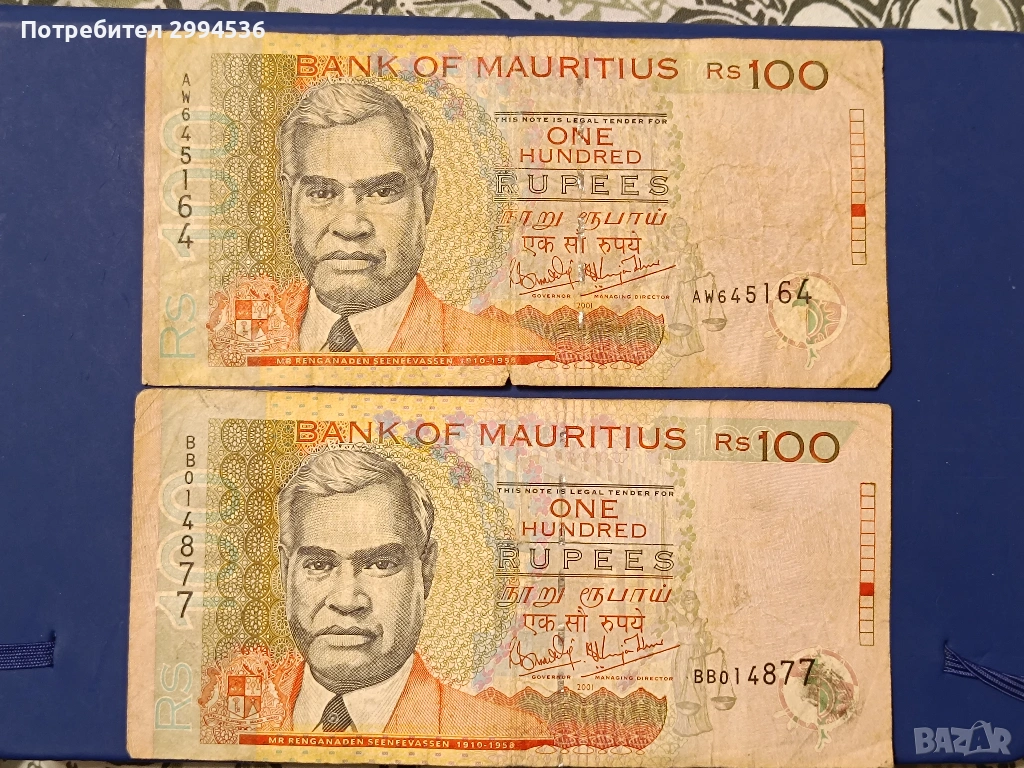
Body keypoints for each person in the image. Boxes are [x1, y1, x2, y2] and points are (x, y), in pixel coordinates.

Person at [275, 449, 548, 736]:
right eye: (319, 565)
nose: (346, 601)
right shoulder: (251, 712)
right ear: (286, 571)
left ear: (425, 571)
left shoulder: (508, 733)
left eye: (381, 564)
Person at [277, 80, 553, 355]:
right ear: (289, 200)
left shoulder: (514, 352)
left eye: (382, 192)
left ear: (426, 197)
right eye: (322, 193)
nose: (350, 226)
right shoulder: (252, 336)